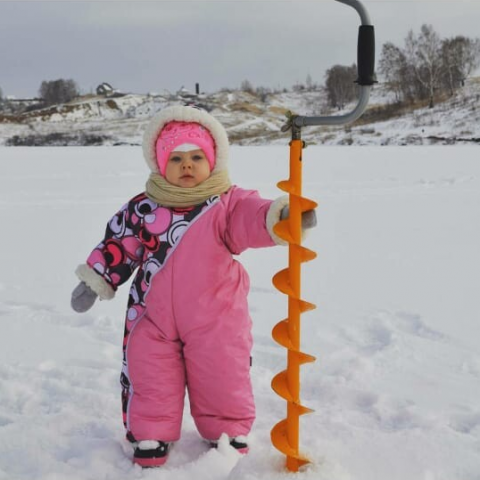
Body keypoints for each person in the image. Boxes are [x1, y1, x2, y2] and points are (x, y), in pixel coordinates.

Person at [71, 105, 316, 468]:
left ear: (213, 160)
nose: (187, 165)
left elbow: (252, 216)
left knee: (222, 369)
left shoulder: (226, 204)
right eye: (177, 158)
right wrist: (97, 278)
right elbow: (120, 244)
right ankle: (151, 434)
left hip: (216, 315)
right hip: (152, 315)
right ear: (159, 163)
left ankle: (228, 430)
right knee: (149, 371)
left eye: (197, 156)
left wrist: (279, 217)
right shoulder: (143, 208)